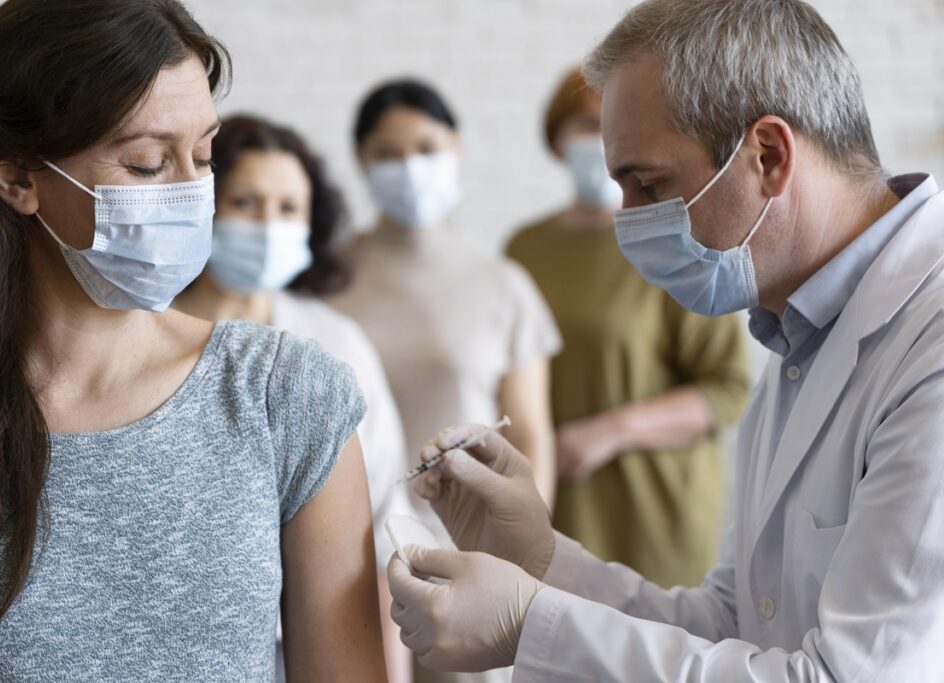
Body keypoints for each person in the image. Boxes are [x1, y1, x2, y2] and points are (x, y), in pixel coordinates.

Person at [387, 0, 944, 680]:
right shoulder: (799, 336)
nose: (629, 224)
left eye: (648, 185)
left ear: (767, 154)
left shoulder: (929, 338)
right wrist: (541, 557)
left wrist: (531, 624)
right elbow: (736, 623)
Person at [0, 2, 387, 681]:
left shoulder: (286, 397)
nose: (192, 193)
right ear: (19, 176)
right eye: (145, 164)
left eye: (202, 155)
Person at [327, 78, 562, 683]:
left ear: (455, 148)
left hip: (468, 554)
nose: (410, 167)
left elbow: (532, 437)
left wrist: (519, 560)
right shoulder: (324, 281)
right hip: (341, 551)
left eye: (427, 148)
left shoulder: (503, 285)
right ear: (361, 161)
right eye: (388, 153)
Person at [175, 113, 416, 682]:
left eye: (289, 210)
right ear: (202, 204)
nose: (267, 225)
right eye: (246, 202)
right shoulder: (139, 338)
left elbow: (383, 527)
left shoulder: (334, 346)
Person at [507, 67, 751, 588]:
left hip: (655, 514)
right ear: (555, 137)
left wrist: (608, 433)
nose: (595, 141)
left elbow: (727, 388)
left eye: (609, 126)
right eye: (581, 124)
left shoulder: (672, 243)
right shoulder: (523, 250)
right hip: (557, 508)